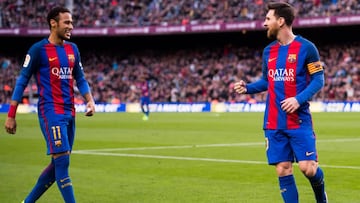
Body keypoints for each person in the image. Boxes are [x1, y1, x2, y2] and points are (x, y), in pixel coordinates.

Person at [234, 2, 327, 203]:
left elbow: (319, 79)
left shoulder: (307, 48)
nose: (264, 23)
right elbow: (268, 80)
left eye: (268, 19)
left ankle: (322, 199)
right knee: (283, 169)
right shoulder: (268, 51)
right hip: (274, 121)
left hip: (299, 120)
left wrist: (298, 99)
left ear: (281, 21)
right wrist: (247, 87)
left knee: (308, 168)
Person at [4, 6, 95, 203]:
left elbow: (80, 77)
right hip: (50, 111)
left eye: (71, 22)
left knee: (57, 165)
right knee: (62, 161)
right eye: (67, 22)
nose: (71, 26)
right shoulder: (38, 50)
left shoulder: (73, 49)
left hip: (70, 113)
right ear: (53, 23)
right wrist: (11, 114)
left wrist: (90, 100)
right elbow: (22, 81)